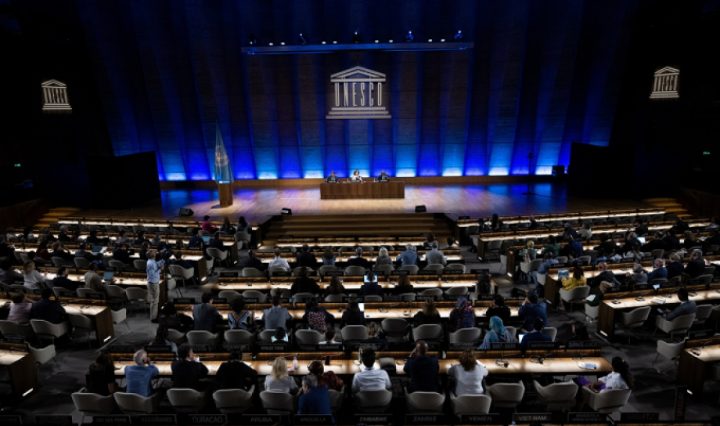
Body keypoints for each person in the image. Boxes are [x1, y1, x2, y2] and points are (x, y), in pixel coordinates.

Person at [146, 249, 164, 321]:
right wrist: (160, 269)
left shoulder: (151, 261)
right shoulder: (151, 263)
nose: (155, 253)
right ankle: (153, 318)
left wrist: (161, 264)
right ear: (152, 255)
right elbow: (153, 274)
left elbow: (156, 267)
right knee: (155, 301)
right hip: (153, 283)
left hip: (151, 282)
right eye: (154, 252)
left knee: (153, 300)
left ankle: (153, 315)